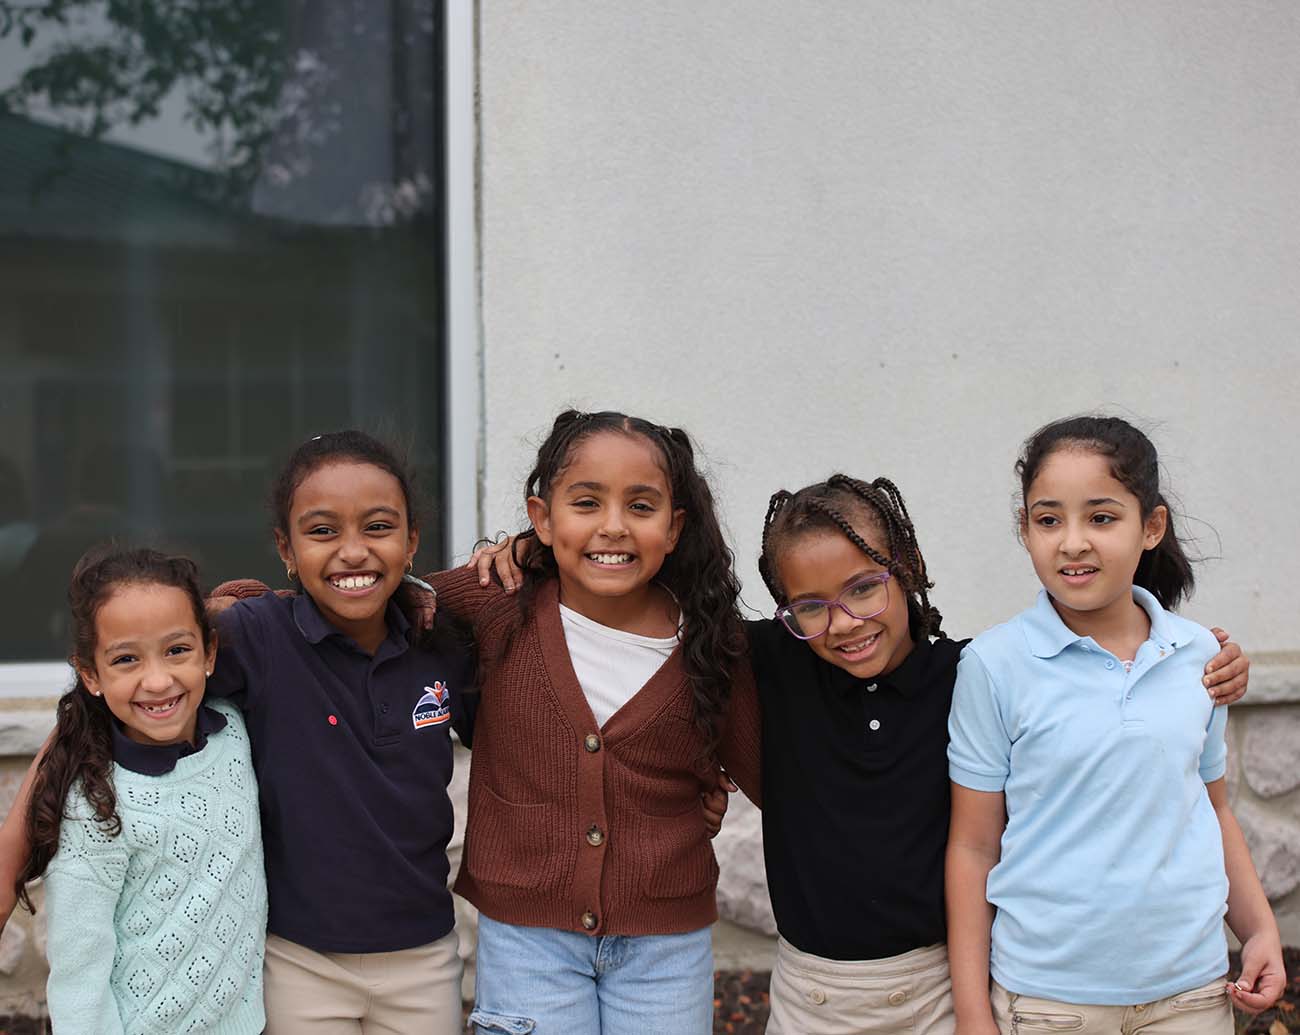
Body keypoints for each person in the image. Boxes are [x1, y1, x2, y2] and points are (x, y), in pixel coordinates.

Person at [475, 469, 1249, 1035]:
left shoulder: (972, 674)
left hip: (946, 985)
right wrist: (534, 551)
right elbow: (647, 586)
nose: (841, 622)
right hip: (814, 996)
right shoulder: (768, 663)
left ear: (905, 568)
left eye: (863, 589)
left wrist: (1192, 656)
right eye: (808, 606)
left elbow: (1082, 680)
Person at [216, 412, 756, 1034]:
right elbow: (375, 594)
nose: (612, 525)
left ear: (674, 526)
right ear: (542, 516)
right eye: (586, 502)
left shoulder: (711, 642)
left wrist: (708, 784)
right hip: (528, 943)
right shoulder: (498, 602)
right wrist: (251, 607)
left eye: (640, 505)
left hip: (664, 942)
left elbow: (771, 772)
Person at [946, 415, 1283, 1035]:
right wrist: (972, 1013)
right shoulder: (994, 666)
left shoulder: (1199, 657)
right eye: (1049, 520)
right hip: (1049, 1001)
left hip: (1191, 993)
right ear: (1025, 530)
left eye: (1101, 517)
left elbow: (1213, 810)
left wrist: (1259, 928)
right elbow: (972, 848)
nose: (1073, 542)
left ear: (1150, 526)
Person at [205, 430, 475, 1034]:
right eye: (323, 531)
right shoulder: (259, 637)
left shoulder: (441, 642)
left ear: (412, 543)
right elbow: (157, 663)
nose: (352, 552)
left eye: (378, 528)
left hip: (423, 955)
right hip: (299, 957)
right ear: (286, 548)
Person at [18, 546, 265, 1035]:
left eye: (177, 650)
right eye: (126, 659)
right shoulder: (96, 804)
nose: (158, 680)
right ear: (91, 674)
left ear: (209, 652)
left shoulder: (234, 733)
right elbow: (79, 972)